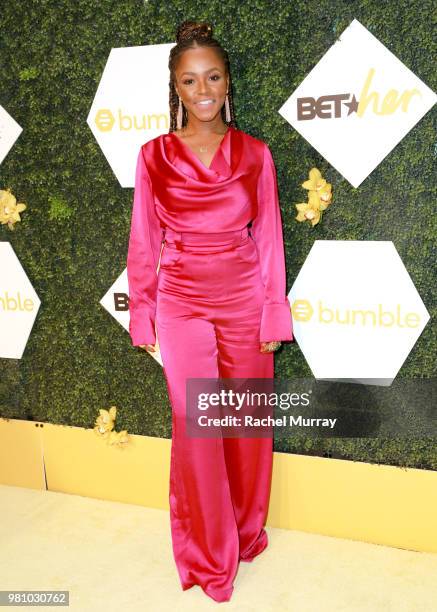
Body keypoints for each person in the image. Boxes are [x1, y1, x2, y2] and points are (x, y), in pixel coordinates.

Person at [126, 20, 294, 603]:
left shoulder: (256, 154)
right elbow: (144, 242)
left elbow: (269, 235)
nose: (202, 90)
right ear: (175, 87)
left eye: (212, 77)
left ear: (227, 82)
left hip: (245, 301)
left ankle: (245, 532)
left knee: (244, 427)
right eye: (189, 80)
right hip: (181, 304)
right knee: (199, 430)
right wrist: (142, 313)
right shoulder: (152, 157)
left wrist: (274, 313)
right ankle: (207, 555)